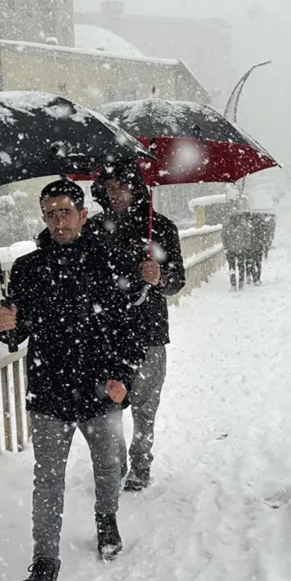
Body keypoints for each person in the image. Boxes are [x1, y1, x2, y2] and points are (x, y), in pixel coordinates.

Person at [0, 178, 144, 581]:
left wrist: (123, 379)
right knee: (48, 481)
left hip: (100, 387)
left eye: (65, 212)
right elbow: (15, 334)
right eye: (50, 213)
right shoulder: (27, 268)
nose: (58, 221)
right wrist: (4, 325)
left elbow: (127, 330)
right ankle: (44, 571)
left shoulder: (108, 262)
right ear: (43, 218)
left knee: (109, 464)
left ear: (82, 215)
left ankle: (106, 517)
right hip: (49, 389)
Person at [90, 162, 185, 492]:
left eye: (124, 186)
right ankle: (115, 461)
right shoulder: (96, 229)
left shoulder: (161, 228)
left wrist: (160, 277)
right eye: (111, 187)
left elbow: (177, 281)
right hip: (107, 335)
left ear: (137, 189)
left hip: (149, 331)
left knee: (145, 407)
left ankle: (141, 462)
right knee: (109, 406)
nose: (117, 194)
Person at [222, 211, 254, 290]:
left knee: (233, 267)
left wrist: (226, 247)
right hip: (238, 249)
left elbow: (224, 237)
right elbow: (248, 236)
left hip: (232, 249)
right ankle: (240, 283)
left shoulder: (227, 225)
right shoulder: (243, 225)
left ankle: (234, 284)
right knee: (240, 266)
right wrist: (245, 246)